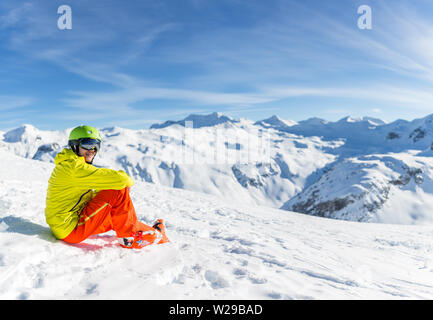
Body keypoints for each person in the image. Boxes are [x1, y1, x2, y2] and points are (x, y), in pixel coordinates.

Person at [45, 125, 169, 249]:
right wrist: (126, 184)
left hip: (66, 225)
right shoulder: (75, 168)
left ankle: (155, 235)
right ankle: (130, 238)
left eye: (96, 145)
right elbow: (121, 179)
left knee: (118, 218)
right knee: (117, 191)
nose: (92, 150)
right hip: (71, 230)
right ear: (74, 145)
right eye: (88, 144)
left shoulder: (71, 164)